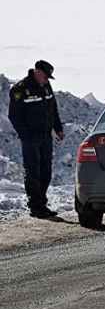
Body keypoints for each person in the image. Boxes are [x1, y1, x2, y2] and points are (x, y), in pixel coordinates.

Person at [8, 60, 64, 219]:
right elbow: (14, 116)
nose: (46, 80)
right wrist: (25, 136)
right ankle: (35, 206)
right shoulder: (20, 89)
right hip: (31, 137)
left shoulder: (46, 87)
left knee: (46, 171)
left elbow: (53, 108)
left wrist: (58, 128)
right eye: (45, 76)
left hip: (46, 136)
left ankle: (42, 203)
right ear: (36, 71)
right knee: (33, 172)